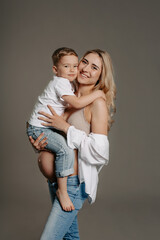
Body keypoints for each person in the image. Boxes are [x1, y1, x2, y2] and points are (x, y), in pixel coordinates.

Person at [29, 49, 116, 239]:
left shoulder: (96, 103)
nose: (86, 69)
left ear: (101, 76)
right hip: (56, 182)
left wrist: (66, 127)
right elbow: (55, 138)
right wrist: (41, 144)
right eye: (84, 62)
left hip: (72, 186)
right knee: (70, 238)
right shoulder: (66, 93)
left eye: (94, 67)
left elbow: (100, 152)